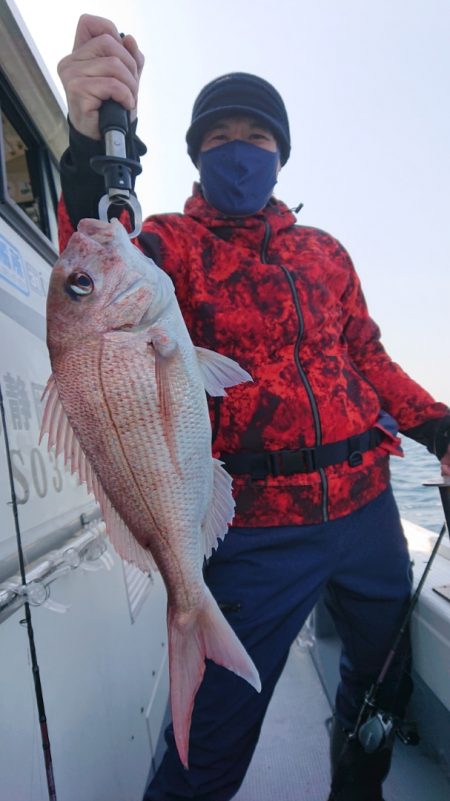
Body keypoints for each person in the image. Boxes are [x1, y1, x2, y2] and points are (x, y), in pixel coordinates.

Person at [57, 15, 450, 801]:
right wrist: (85, 144)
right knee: (211, 738)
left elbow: (367, 357)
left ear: (281, 154)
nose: (241, 147)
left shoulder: (325, 252)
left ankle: (357, 787)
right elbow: (89, 269)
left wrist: (439, 425)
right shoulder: (165, 244)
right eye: (221, 134)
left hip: (369, 506)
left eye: (258, 136)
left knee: (381, 677)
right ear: (198, 152)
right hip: (255, 528)